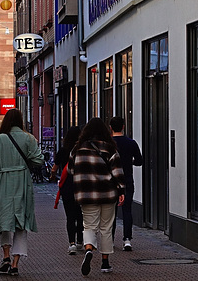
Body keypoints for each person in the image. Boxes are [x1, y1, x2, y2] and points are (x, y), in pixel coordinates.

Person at [0, 108, 44, 277]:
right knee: (21, 222)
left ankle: (5, 255)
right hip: (22, 182)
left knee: (4, 219)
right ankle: (15, 263)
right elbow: (39, 160)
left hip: (4, 181)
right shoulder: (29, 138)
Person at [70, 117, 125, 276]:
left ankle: (88, 249)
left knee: (89, 225)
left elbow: (71, 170)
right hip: (107, 193)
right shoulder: (109, 148)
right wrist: (122, 191)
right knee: (106, 228)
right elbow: (117, 172)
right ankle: (105, 262)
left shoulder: (77, 149)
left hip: (86, 193)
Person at [109, 116, 143, 250]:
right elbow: (139, 161)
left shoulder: (108, 144)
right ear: (123, 127)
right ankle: (127, 239)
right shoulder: (131, 143)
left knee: (110, 211)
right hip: (127, 179)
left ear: (110, 128)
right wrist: (130, 162)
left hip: (111, 181)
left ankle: (110, 239)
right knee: (127, 210)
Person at [53, 125, 83, 254]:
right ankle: (81, 240)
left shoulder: (63, 150)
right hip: (81, 186)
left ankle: (72, 243)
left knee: (70, 216)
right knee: (81, 215)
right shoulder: (81, 150)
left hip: (67, 186)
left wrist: (52, 175)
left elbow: (55, 167)